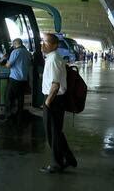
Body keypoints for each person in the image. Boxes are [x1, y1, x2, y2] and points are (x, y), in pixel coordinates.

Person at [39, 33, 77, 173]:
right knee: (56, 132)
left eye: (46, 42)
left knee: (52, 134)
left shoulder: (54, 59)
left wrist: (47, 103)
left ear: (55, 45)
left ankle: (57, 163)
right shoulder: (52, 58)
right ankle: (68, 158)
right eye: (43, 41)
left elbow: (55, 85)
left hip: (53, 100)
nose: (43, 44)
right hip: (54, 99)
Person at [3, 38, 32, 123]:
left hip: (15, 79)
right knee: (20, 99)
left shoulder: (15, 52)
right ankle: (19, 117)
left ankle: (8, 117)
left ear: (15, 44)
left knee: (8, 97)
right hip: (24, 80)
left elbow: (8, 65)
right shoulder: (27, 53)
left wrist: (4, 61)